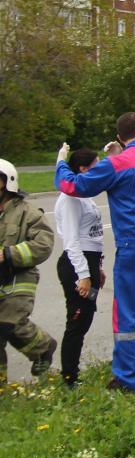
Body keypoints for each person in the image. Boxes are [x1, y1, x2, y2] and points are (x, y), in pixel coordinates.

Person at [56, 112, 135, 392]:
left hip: (134, 246)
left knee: (127, 310)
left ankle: (126, 378)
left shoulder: (115, 164)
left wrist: (61, 162)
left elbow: (73, 186)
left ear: (121, 137)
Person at [0, 158, 57, 381]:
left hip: (18, 278)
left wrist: (9, 254)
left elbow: (44, 244)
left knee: (9, 324)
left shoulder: (27, 213)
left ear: (5, 181)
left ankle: (43, 348)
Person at [53, 148, 106, 386]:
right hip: (77, 265)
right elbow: (72, 241)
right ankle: (69, 378)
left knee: (84, 318)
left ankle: (72, 374)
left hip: (90, 262)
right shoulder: (71, 199)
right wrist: (84, 275)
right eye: (96, 164)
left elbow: (93, 235)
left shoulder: (85, 194)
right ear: (83, 169)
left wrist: (99, 268)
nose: (101, 167)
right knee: (77, 320)